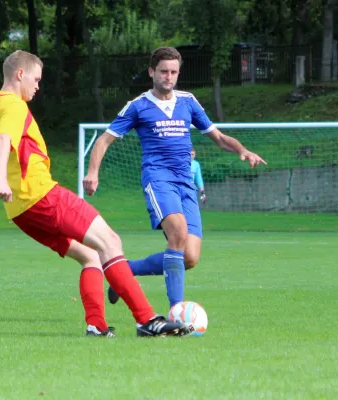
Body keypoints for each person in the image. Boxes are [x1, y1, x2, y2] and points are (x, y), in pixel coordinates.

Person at [0, 50, 191, 338]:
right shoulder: (14, 106)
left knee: (90, 256)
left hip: (20, 212)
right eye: (36, 79)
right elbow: (4, 138)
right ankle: (147, 320)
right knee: (110, 241)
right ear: (20, 75)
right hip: (42, 197)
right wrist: (1, 180)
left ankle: (97, 325)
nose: (38, 86)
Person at [83, 46, 266, 309]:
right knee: (177, 232)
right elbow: (103, 141)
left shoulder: (188, 102)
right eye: (163, 71)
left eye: (173, 72)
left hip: (185, 183)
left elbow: (218, 137)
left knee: (189, 257)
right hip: (158, 179)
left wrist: (243, 150)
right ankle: (176, 312)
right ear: (151, 72)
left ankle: (124, 271)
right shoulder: (138, 106)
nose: (168, 77)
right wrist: (92, 172)